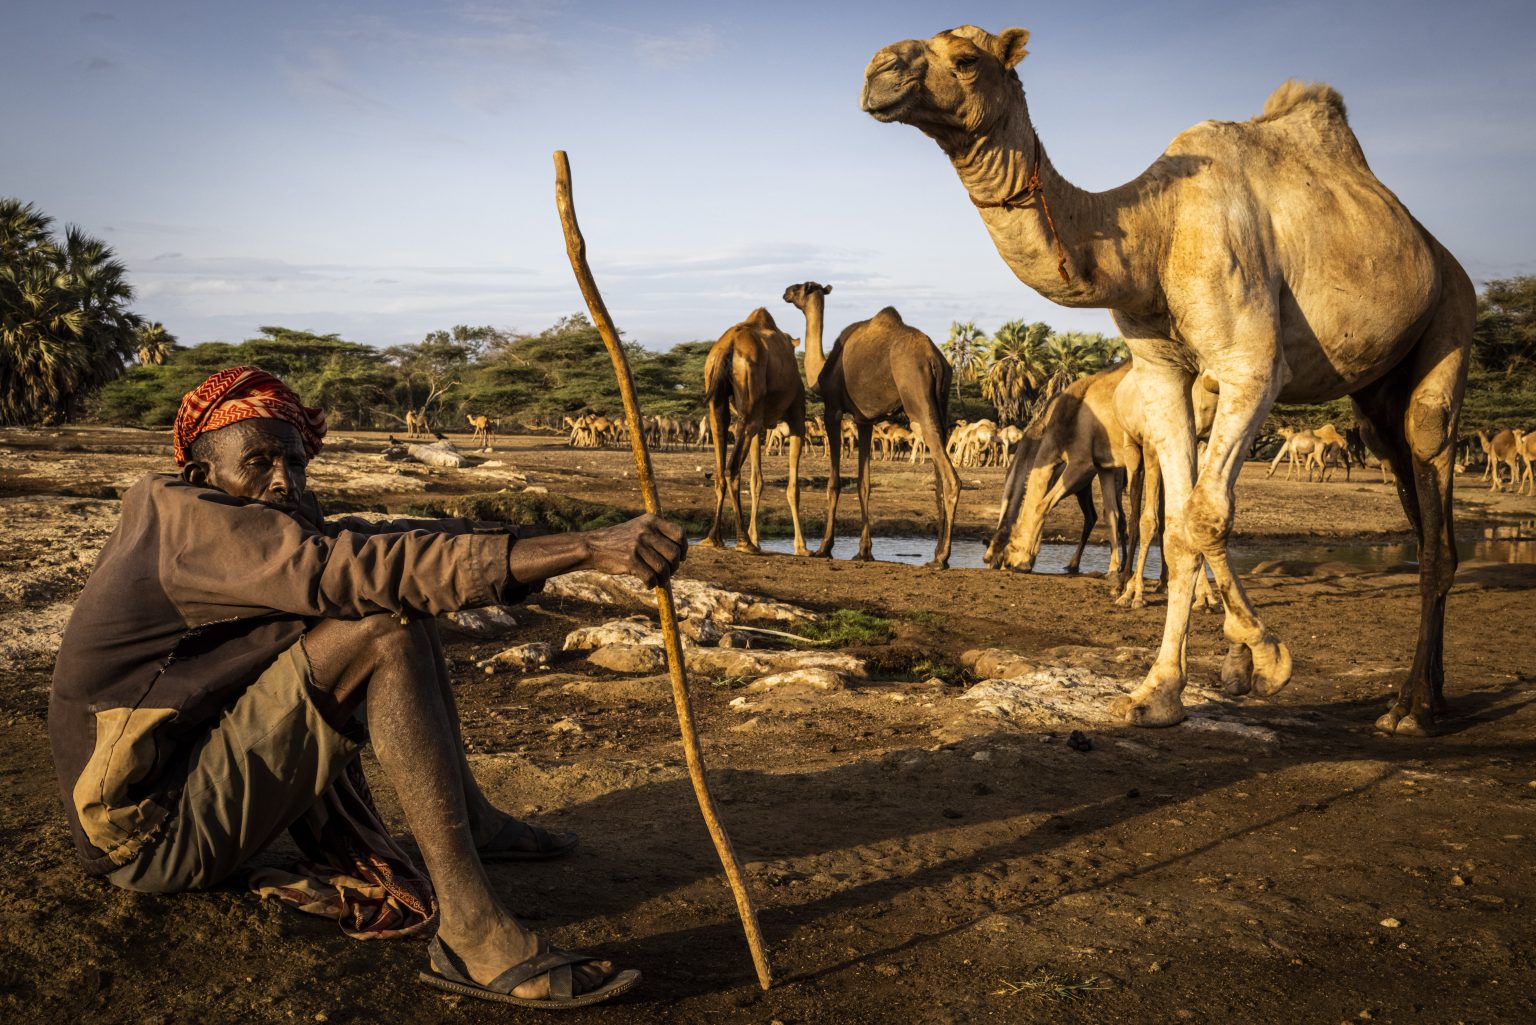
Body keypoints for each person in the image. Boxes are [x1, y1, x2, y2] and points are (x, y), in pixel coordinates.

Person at [49, 366, 686, 1009]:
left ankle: (477, 822)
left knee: (400, 593)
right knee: (384, 629)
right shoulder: (193, 529)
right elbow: (345, 568)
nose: (284, 480)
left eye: (294, 463)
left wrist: (561, 544)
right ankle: (469, 934)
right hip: (148, 834)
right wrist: (584, 548)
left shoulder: (245, 514)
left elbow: (390, 548)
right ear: (202, 475)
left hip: (189, 774)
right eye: (261, 462)